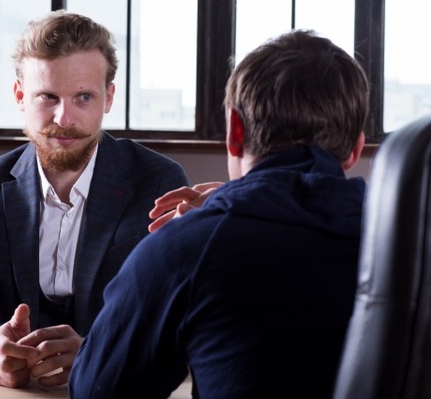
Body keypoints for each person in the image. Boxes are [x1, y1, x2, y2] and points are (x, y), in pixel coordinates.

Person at [68, 29, 369, 398]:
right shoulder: (410, 240)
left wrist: (200, 231)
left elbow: (96, 390)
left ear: (234, 132)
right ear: (355, 149)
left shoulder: (186, 246)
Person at [0, 10, 189, 389]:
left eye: (84, 97)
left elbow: (178, 316)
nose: (64, 118)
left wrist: (98, 353)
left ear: (108, 98)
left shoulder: (159, 180)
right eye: (47, 96)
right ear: (20, 96)